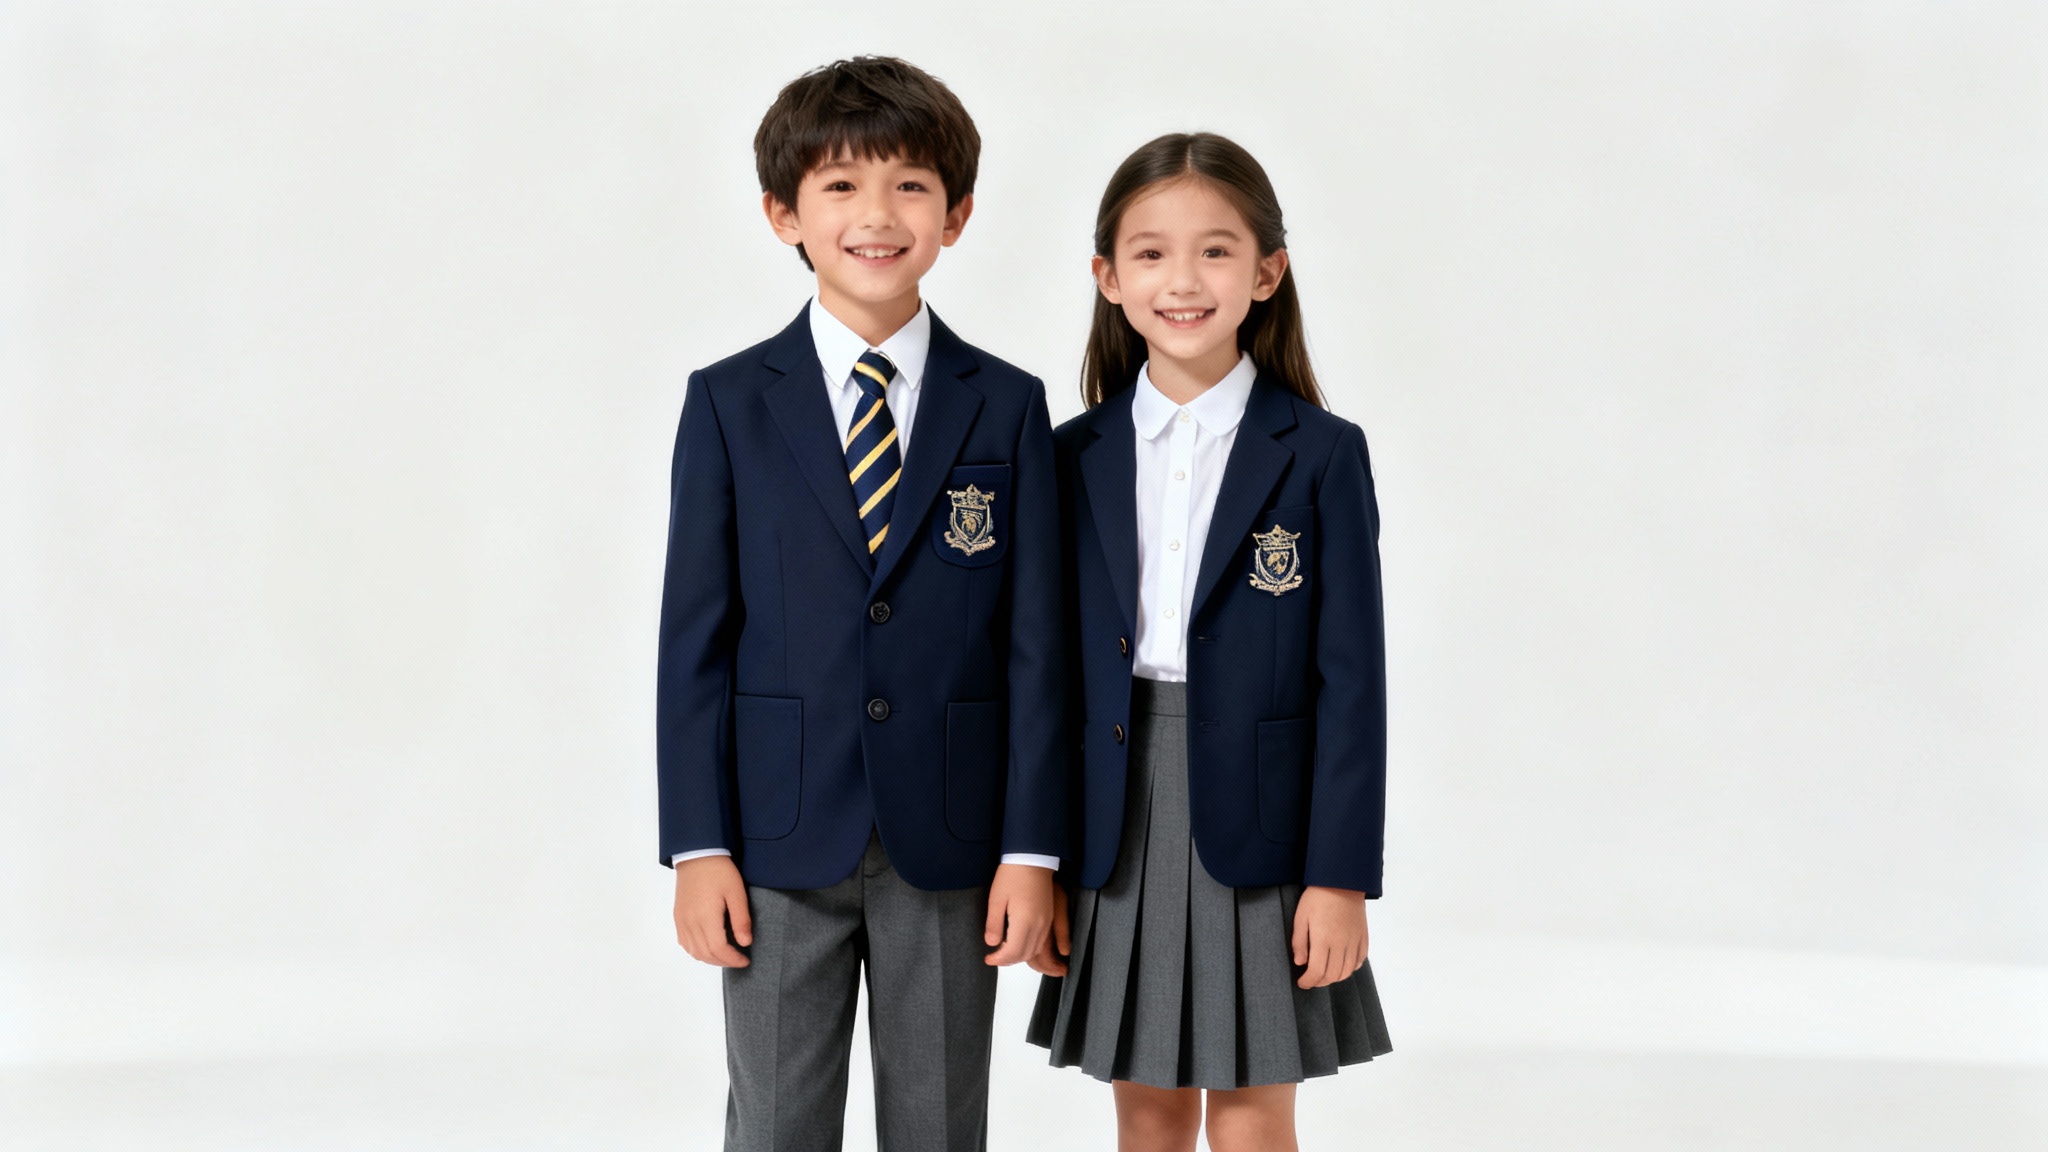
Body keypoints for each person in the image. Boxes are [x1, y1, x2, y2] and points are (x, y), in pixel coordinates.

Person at [656, 56, 1066, 1152]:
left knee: (938, 1121)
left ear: (957, 214)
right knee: (777, 1121)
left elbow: (1036, 651)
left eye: (910, 186)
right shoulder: (731, 404)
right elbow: (694, 643)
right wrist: (698, 846)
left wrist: (1032, 850)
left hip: (952, 835)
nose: (876, 215)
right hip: (776, 834)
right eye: (839, 186)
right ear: (781, 213)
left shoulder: (1008, 407)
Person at [1027, 132, 1393, 1152]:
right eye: (1148, 253)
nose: (1180, 280)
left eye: (1215, 251)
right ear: (1106, 277)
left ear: (1266, 272)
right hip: (1114, 809)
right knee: (1144, 1112)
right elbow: (1045, 681)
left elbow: (1351, 681)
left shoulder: (1320, 453)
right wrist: (1044, 858)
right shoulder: (1068, 456)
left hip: (1266, 825)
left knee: (1249, 1113)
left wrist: (1340, 874)